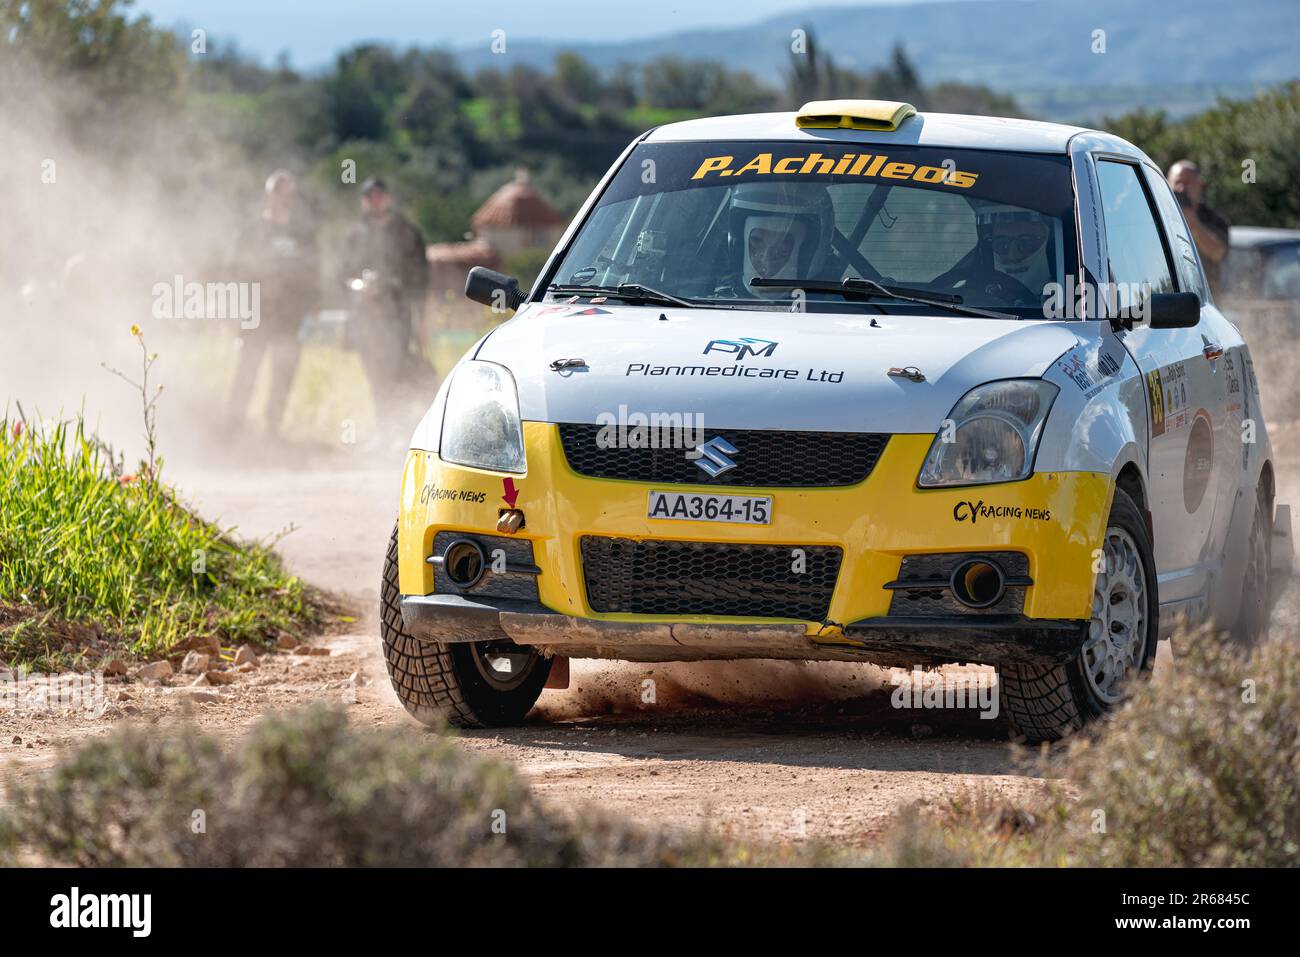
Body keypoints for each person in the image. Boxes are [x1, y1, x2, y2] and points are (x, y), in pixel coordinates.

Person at [227, 169, 319, 436]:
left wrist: (312, 304)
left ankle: (272, 431)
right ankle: (232, 430)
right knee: (247, 370)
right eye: (278, 193)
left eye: (288, 194)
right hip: (256, 313)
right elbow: (236, 269)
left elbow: (312, 271)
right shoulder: (253, 230)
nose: (283, 199)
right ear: (268, 196)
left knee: (283, 372)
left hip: (289, 315)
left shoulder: (302, 233)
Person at [341, 177, 430, 422]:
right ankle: (384, 429)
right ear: (364, 201)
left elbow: (421, 280)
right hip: (365, 316)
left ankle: (401, 427)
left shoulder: (407, 232)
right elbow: (343, 274)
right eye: (370, 197)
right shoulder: (355, 234)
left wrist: (422, 322)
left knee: (396, 370)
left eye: (379, 195)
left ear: (388, 198)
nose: (375, 201)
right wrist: (359, 286)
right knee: (374, 374)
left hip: (397, 315)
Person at [1167, 160, 1230, 296]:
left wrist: (1193, 223)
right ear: (1166, 184)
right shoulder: (1158, 214)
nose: (1182, 189)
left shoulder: (1214, 219)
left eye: (1188, 183)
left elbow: (1218, 253)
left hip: (1206, 299)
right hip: (1168, 294)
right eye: (1178, 182)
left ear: (1200, 185)